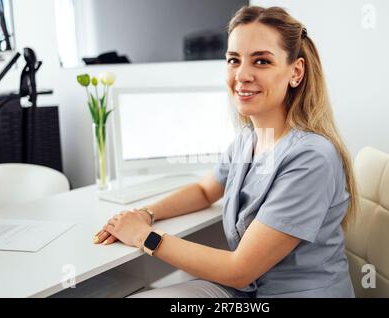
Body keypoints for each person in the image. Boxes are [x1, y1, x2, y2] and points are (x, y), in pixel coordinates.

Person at [93, 5, 358, 298]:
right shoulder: (248, 140)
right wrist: (145, 213)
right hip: (247, 292)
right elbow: (205, 190)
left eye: (261, 61)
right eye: (234, 60)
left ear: (296, 72)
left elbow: (239, 269)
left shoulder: (312, 158)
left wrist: (144, 237)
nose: (242, 75)